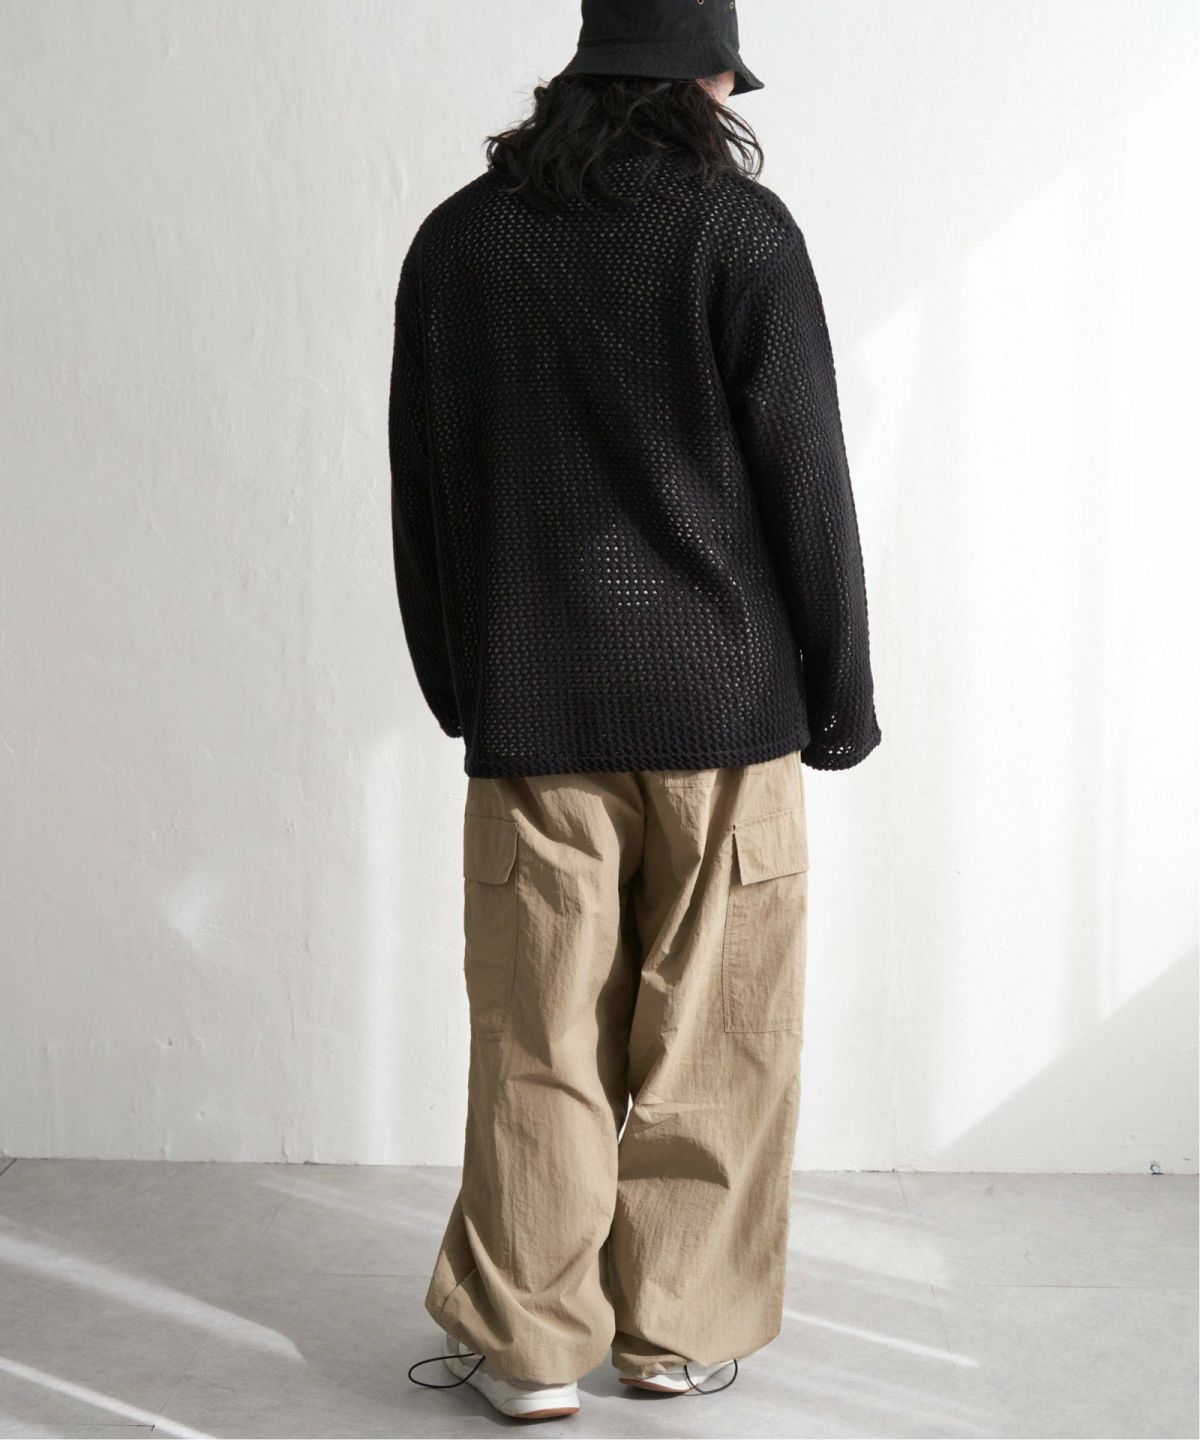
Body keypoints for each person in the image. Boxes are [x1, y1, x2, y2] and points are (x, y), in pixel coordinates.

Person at [390, 0, 881, 1421]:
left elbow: (425, 492)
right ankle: (671, 1336)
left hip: (534, 713)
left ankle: (530, 1352)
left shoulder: (459, 243)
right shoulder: (740, 233)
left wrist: (459, 683)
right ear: (707, 79)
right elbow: (808, 481)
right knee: (717, 1039)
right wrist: (841, 694)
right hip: (726, 714)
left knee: (535, 1042)